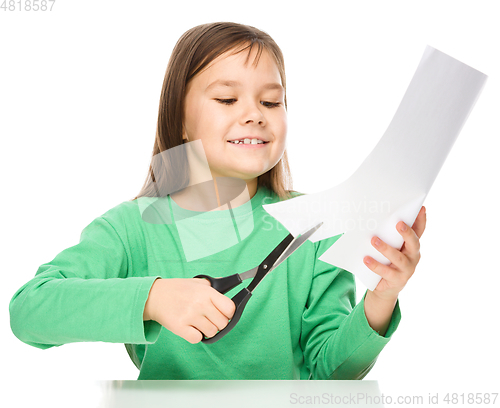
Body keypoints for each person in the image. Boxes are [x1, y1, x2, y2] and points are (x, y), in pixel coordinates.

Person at [9, 22, 426, 380]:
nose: (254, 114)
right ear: (182, 120)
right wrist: (153, 299)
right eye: (227, 99)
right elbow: (29, 311)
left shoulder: (314, 225)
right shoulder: (132, 229)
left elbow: (331, 372)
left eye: (271, 101)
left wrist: (381, 297)